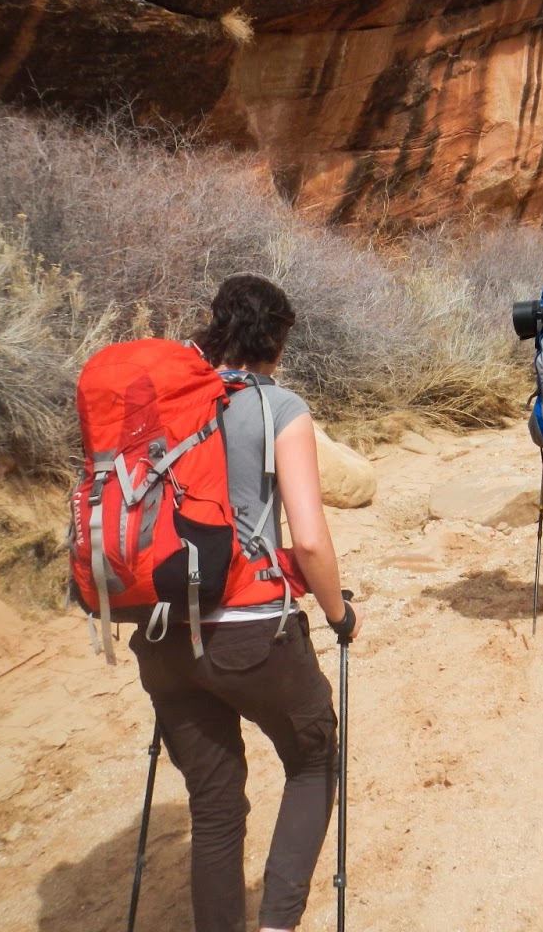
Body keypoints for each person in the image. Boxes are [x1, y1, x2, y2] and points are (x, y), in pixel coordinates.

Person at [129, 274, 362, 932]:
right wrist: (339, 614)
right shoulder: (278, 407)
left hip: (162, 632)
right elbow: (309, 540)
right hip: (249, 631)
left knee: (214, 805)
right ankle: (277, 924)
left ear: (216, 327)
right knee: (313, 760)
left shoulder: (167, 404)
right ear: (278, 342)